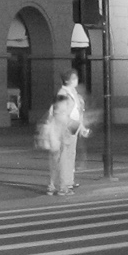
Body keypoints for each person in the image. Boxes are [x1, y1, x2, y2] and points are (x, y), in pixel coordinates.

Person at [47, 68, 88, 197]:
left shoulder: (72, 92)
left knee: (68, 156)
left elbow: (78, 111)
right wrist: (75, 125)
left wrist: (81, 127)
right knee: (64, 157)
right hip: (66, 127)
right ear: (68, 80)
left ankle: (65, 182)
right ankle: (62, 186)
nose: (76, 80)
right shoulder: (63, 93)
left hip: (72, 126)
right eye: (74, 78)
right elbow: (59, 113)